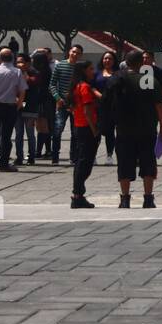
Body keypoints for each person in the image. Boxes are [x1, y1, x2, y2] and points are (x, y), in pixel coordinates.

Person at [107, 50, 162, 208]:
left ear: (126, 62)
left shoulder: (119, 78)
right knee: (148, 163)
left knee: (124, 163)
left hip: (124, 128)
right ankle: (148, 198)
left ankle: (125, 199)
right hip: (147, 128)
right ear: (142, 63)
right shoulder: (149, 80)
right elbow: (159, 106)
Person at [0, 48, 26, 172]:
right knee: (6, 136)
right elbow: (23, 90)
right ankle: (4, 163)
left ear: (0, 58)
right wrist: (19, 103)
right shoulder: (17, 72)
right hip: (10, 106)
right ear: (12, 57)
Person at [69, 58, 100, 209]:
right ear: (83, 71)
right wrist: (95, 130)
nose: (93, 72)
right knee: (85, 163)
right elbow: (88, 111)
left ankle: (78, 194)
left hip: (78, 127)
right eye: (90, 69)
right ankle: (78, 195)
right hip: (87, 128)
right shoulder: (85, 87)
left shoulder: (76, 86)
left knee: (81, 161)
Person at [48, 44, 83, 166]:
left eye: (78, 53)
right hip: (62, 103)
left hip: (76, 104)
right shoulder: (60, 65)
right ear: (69, 52)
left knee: (76, 132)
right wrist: (57, 98)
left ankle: (74, 157)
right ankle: (55, 157)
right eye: (73, 52)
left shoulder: (81, 68)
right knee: (57, 130)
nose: (75, 54)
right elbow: (52, 85)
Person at [94, 51, 119, 162]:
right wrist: (100, 96)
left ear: (114, 61)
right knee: (96, 131)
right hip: (98, 106)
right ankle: (93, 155)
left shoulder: (118, 74)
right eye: (105, 58)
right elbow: (92, 87)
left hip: (112, 107)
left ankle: (109, 155)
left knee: (110, 132)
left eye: (110, 59)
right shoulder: (97, 73)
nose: (107, 61)